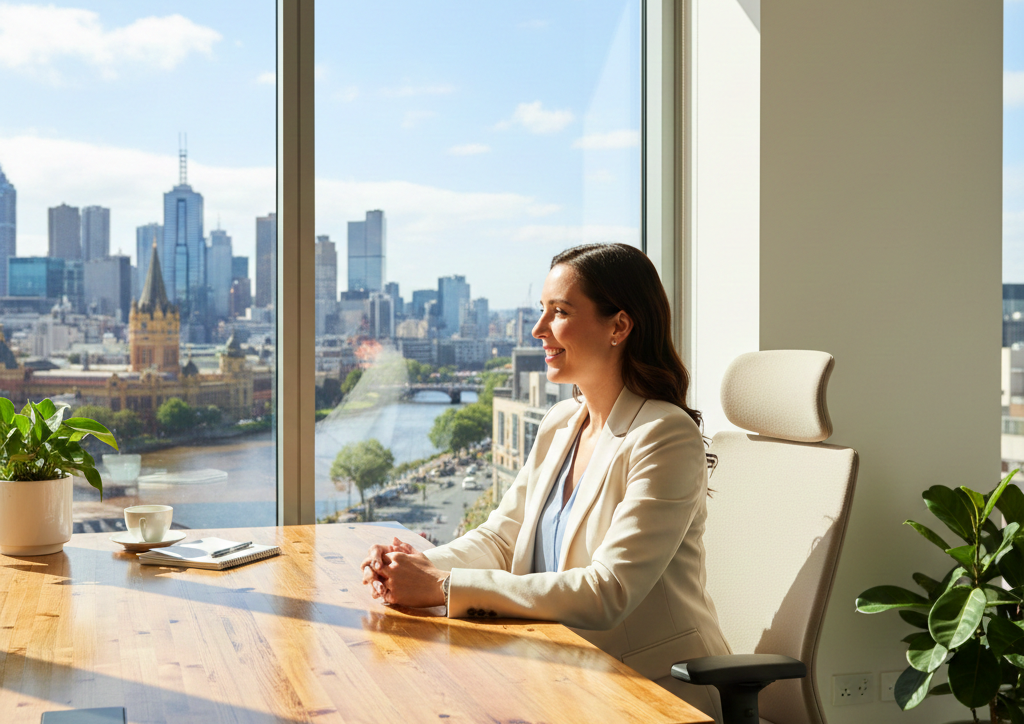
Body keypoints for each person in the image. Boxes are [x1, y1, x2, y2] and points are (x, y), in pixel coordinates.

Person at [361, 243, 730, 720]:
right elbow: (501, 538)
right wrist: (411, 567)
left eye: (559, 312)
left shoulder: (663, 435)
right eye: (541, 311)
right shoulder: (560, 421)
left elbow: (608, 591)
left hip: (650, 689)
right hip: (558, 673)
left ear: (619, 325)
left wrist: (444, 587)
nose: (538, 330)